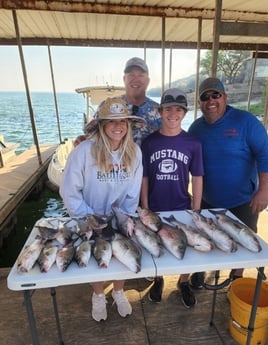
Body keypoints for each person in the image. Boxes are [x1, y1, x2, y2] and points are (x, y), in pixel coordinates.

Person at [60, 97, 145, 322]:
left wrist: (125, 215)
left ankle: (118, 291)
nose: (118, 126)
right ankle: (98, 294)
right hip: (89, 215)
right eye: (111, 121)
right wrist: (87, 216)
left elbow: (133, 191)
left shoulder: (135, 152)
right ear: (101, 125)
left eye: (123, 121)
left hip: (118, 214)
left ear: (128, 125)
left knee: (122, 254)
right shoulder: (83, 152)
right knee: (97, 255)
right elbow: (69, 190)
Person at [188, 77, 268, 288]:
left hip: (243, 201)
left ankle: (237, 277)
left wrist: (263, 191)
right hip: (208, 200)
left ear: (225, 97)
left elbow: (265, 156)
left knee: (244, 241)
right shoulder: (195, 128)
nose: (211, 101)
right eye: (205, 97)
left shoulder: (246, 121)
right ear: (200, 102)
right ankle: (199, 272)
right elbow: (187, 163)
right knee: (204, 237)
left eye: (215, 95)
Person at [141, 88, 204, 308]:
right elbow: (145, 178)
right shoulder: (149, 143)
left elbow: (197, 177)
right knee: (157, 246)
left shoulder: (192, 143)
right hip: (156, 207)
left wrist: (196, 209)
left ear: (185, 113)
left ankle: (183, 282)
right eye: (168, 109)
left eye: (179, 109)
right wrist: (146, 208)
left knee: (184, 247)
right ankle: (158, 279)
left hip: (182, 206)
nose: (173, 113)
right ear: (160, 111)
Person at [75, 57, 162, 147]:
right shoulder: (106, 106)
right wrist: (83, 139)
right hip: (111, 161)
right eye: (131, 75)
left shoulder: (159, 112)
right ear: (124, 79)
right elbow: (93, 134)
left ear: (148, 81)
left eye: (141, 75)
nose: (136, 79)